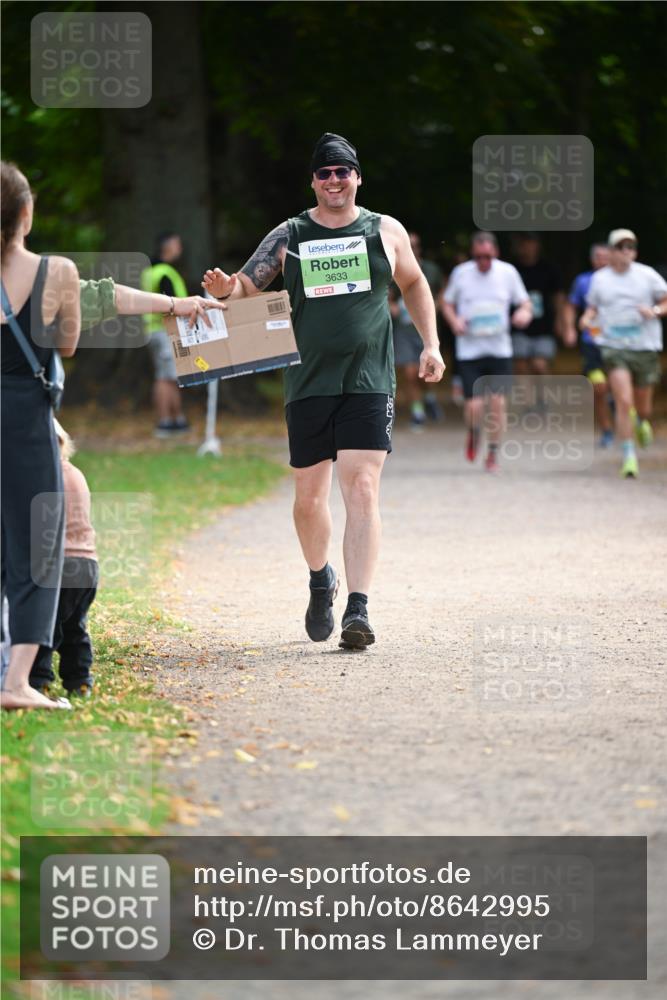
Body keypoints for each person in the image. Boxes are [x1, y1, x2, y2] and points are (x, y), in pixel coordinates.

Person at [202, 133, 444, 648]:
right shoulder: (290, 234)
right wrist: (227, 289)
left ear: (357, 177)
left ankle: (358, 608)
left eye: (343, 171)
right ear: (313, 181)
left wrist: (431, 344)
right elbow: (249, 284)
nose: (334, 180)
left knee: (361, 487)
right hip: (307, 379)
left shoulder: (386, 231)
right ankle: (321, 579)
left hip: (368, 379)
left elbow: (415, 283)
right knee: (309, 499)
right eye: (325, 173)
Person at [1, 160, 80, 710]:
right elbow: (67, 344)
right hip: (26, 419)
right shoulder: (57, 272)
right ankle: (16, 683)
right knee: (38, 546)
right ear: (27, 213)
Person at [580, 229, 667, 478]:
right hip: (614, 346)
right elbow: (593, 308)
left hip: (645, 347)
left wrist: (654, 311)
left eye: (630, 247)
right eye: (620, 247)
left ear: (635, 251)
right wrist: (586, 319)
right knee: (623, 400)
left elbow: (665, 301)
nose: (626, 251)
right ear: (610, 251)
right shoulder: (600, 279)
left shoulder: (647, 275)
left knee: (643, 406)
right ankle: (629, 455)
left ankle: (642, 422)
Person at [442, 232, 532, 473]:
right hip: (470, 351)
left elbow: (525, 303)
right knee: (474, 408)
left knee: (497, 404)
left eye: (488, 257)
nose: (483, 261)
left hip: (499, 349)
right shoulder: (461, 274)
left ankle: (493, 454)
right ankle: (474, 431)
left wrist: (524, 313)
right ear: (473, 254)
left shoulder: (507, 273)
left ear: (496, 254)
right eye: (479, 256)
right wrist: (454, 321)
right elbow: (446, 303)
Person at [30, 420, 99, 697]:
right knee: (74, 628)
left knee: (43, 626)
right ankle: (79, 680)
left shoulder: (46, 476)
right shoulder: (75, 474)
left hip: (61, 566)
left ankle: (38, 680)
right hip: (88, 566)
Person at [390, 231, 444, 429]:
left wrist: (435, 306)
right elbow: (387, 296)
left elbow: (441, 290)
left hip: (423, 329)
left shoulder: (430, 270)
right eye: (408, 246)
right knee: (411, 372)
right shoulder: (393, 267)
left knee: (428, 370)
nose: (411, 249)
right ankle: (418, 411)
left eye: (415, 246)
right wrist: (392, 307)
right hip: (403, 329)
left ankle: (429, 397)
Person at [562, 243, 614, 448]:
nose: (601, 260)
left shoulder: (621, 280)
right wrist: (569, 329)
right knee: (599, 388)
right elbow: (570, 306)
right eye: (598, 257)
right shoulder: (583, 281)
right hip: (591, 341)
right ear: (592, 259)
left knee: (618, 385)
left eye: (605, 256)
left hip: (618, 342)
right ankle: (606, 429)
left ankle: (618, 409)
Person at [141, 232, 190, 438]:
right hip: (163, 331)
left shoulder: (149, 271)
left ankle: (176, 419)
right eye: (177, 244)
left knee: (169, 375)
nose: (180, 248)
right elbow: (169, 306)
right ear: (167, 246)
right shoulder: (164, 273)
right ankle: (165, 421)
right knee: (164, 377)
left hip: (152, 330)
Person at [511, 233, 566, 398]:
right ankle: (528, 403)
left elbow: (558, 296)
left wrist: (560, 321)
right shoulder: (512, 270)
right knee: (520, 366)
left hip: (544, 326)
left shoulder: (548, 268)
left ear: (537, 246)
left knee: (540, 365)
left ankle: (543, 398)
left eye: (531, 243)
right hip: (518, 327)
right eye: (524, 244)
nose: (527, 247)